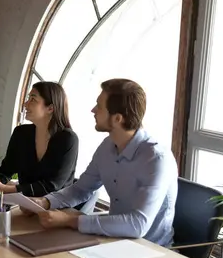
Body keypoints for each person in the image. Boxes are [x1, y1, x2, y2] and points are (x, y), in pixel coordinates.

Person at [32, 78, 178, 247]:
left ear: (117, 119)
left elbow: (137, 224)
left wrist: (70, 220)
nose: (93, 110)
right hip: (114, 243)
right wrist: (45, 202)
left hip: (152, 251)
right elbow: (81, 189)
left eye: (99, 106)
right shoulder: (107, 146)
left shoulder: (156, 159)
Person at [0, 82, 96, 213]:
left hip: (58, 211)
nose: (26, 104)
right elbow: (6, 170)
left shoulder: (68, 139)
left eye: (33, 99)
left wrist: (8, 189)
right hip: (27, 208)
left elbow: (52, 186)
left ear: (50, 108)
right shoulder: (21, 133)